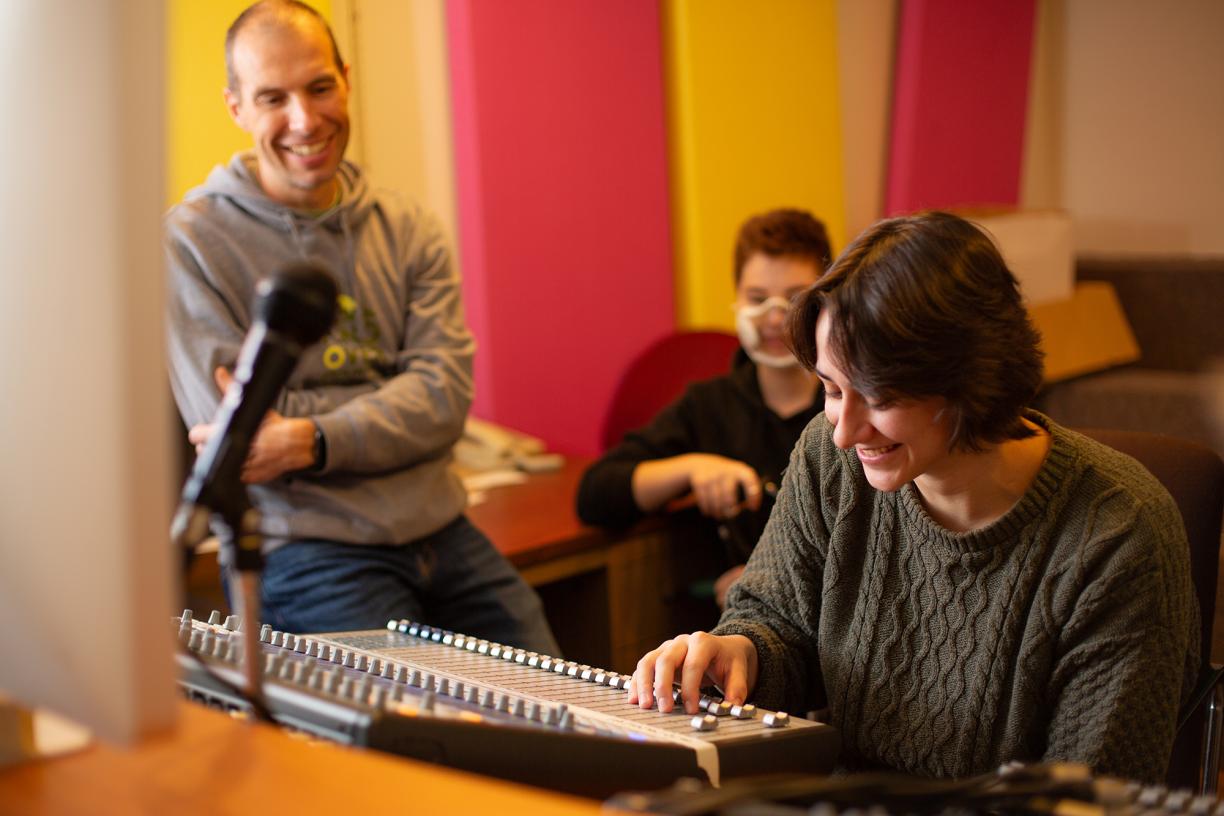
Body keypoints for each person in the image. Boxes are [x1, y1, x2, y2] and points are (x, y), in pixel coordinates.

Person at [627, 211, 1199, 784]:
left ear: (971, 378)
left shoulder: (1120, 534)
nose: (845, 431)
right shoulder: (830, 458)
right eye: (830, 388)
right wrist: (741, 652)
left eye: (876, 396)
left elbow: (1091, 796)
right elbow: (777, 622)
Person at [165, 0, 558, 654]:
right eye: (273, 98)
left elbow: (442, 399)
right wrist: (383, 406)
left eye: (320, 87)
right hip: (307, 549)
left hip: (441, 527)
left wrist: (314, 438)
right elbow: (240, 435)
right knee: (409, 748)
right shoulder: (191, 242)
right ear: (236, 108)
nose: (304, 119)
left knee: (560, 716)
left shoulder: (407, 228)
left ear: (346, 79)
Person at [577, 209, 830, 609]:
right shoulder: (709, 405)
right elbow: (596, 493)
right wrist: (693, 467)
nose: (776, 317)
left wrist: (772, 579)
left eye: (795, 298)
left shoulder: (851, 409)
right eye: (758, 299)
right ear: (736, 300)